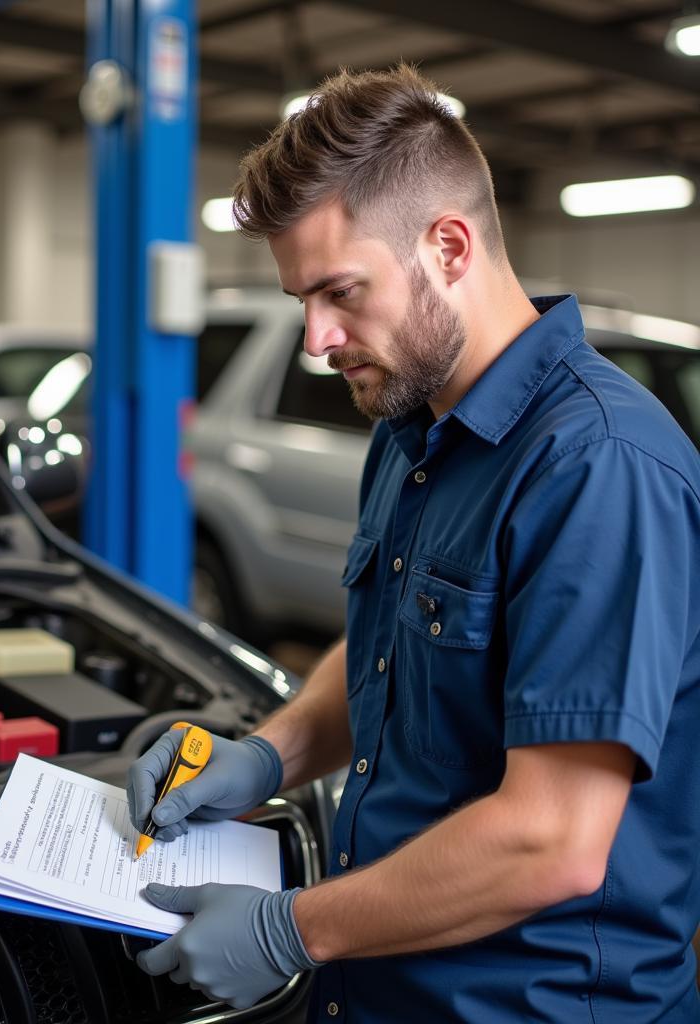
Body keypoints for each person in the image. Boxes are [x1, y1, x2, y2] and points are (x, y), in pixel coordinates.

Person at [125, 64, 700, 1022]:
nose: (316, 337)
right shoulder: (412, 430)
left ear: (449, 245)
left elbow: (551, 837)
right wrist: (266, 756)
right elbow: (399, 641)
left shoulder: (599, 467)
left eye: (339, 292)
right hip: (379, 980)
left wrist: (288, 931)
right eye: (302, 299)